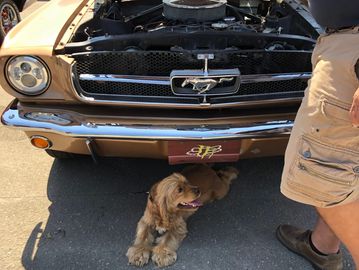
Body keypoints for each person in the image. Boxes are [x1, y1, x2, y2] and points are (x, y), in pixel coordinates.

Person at [276, 0, 359, 270]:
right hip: (345, 46)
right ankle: (322, 247)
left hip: (352, 56)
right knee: (341, 169)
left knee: (321, 176)